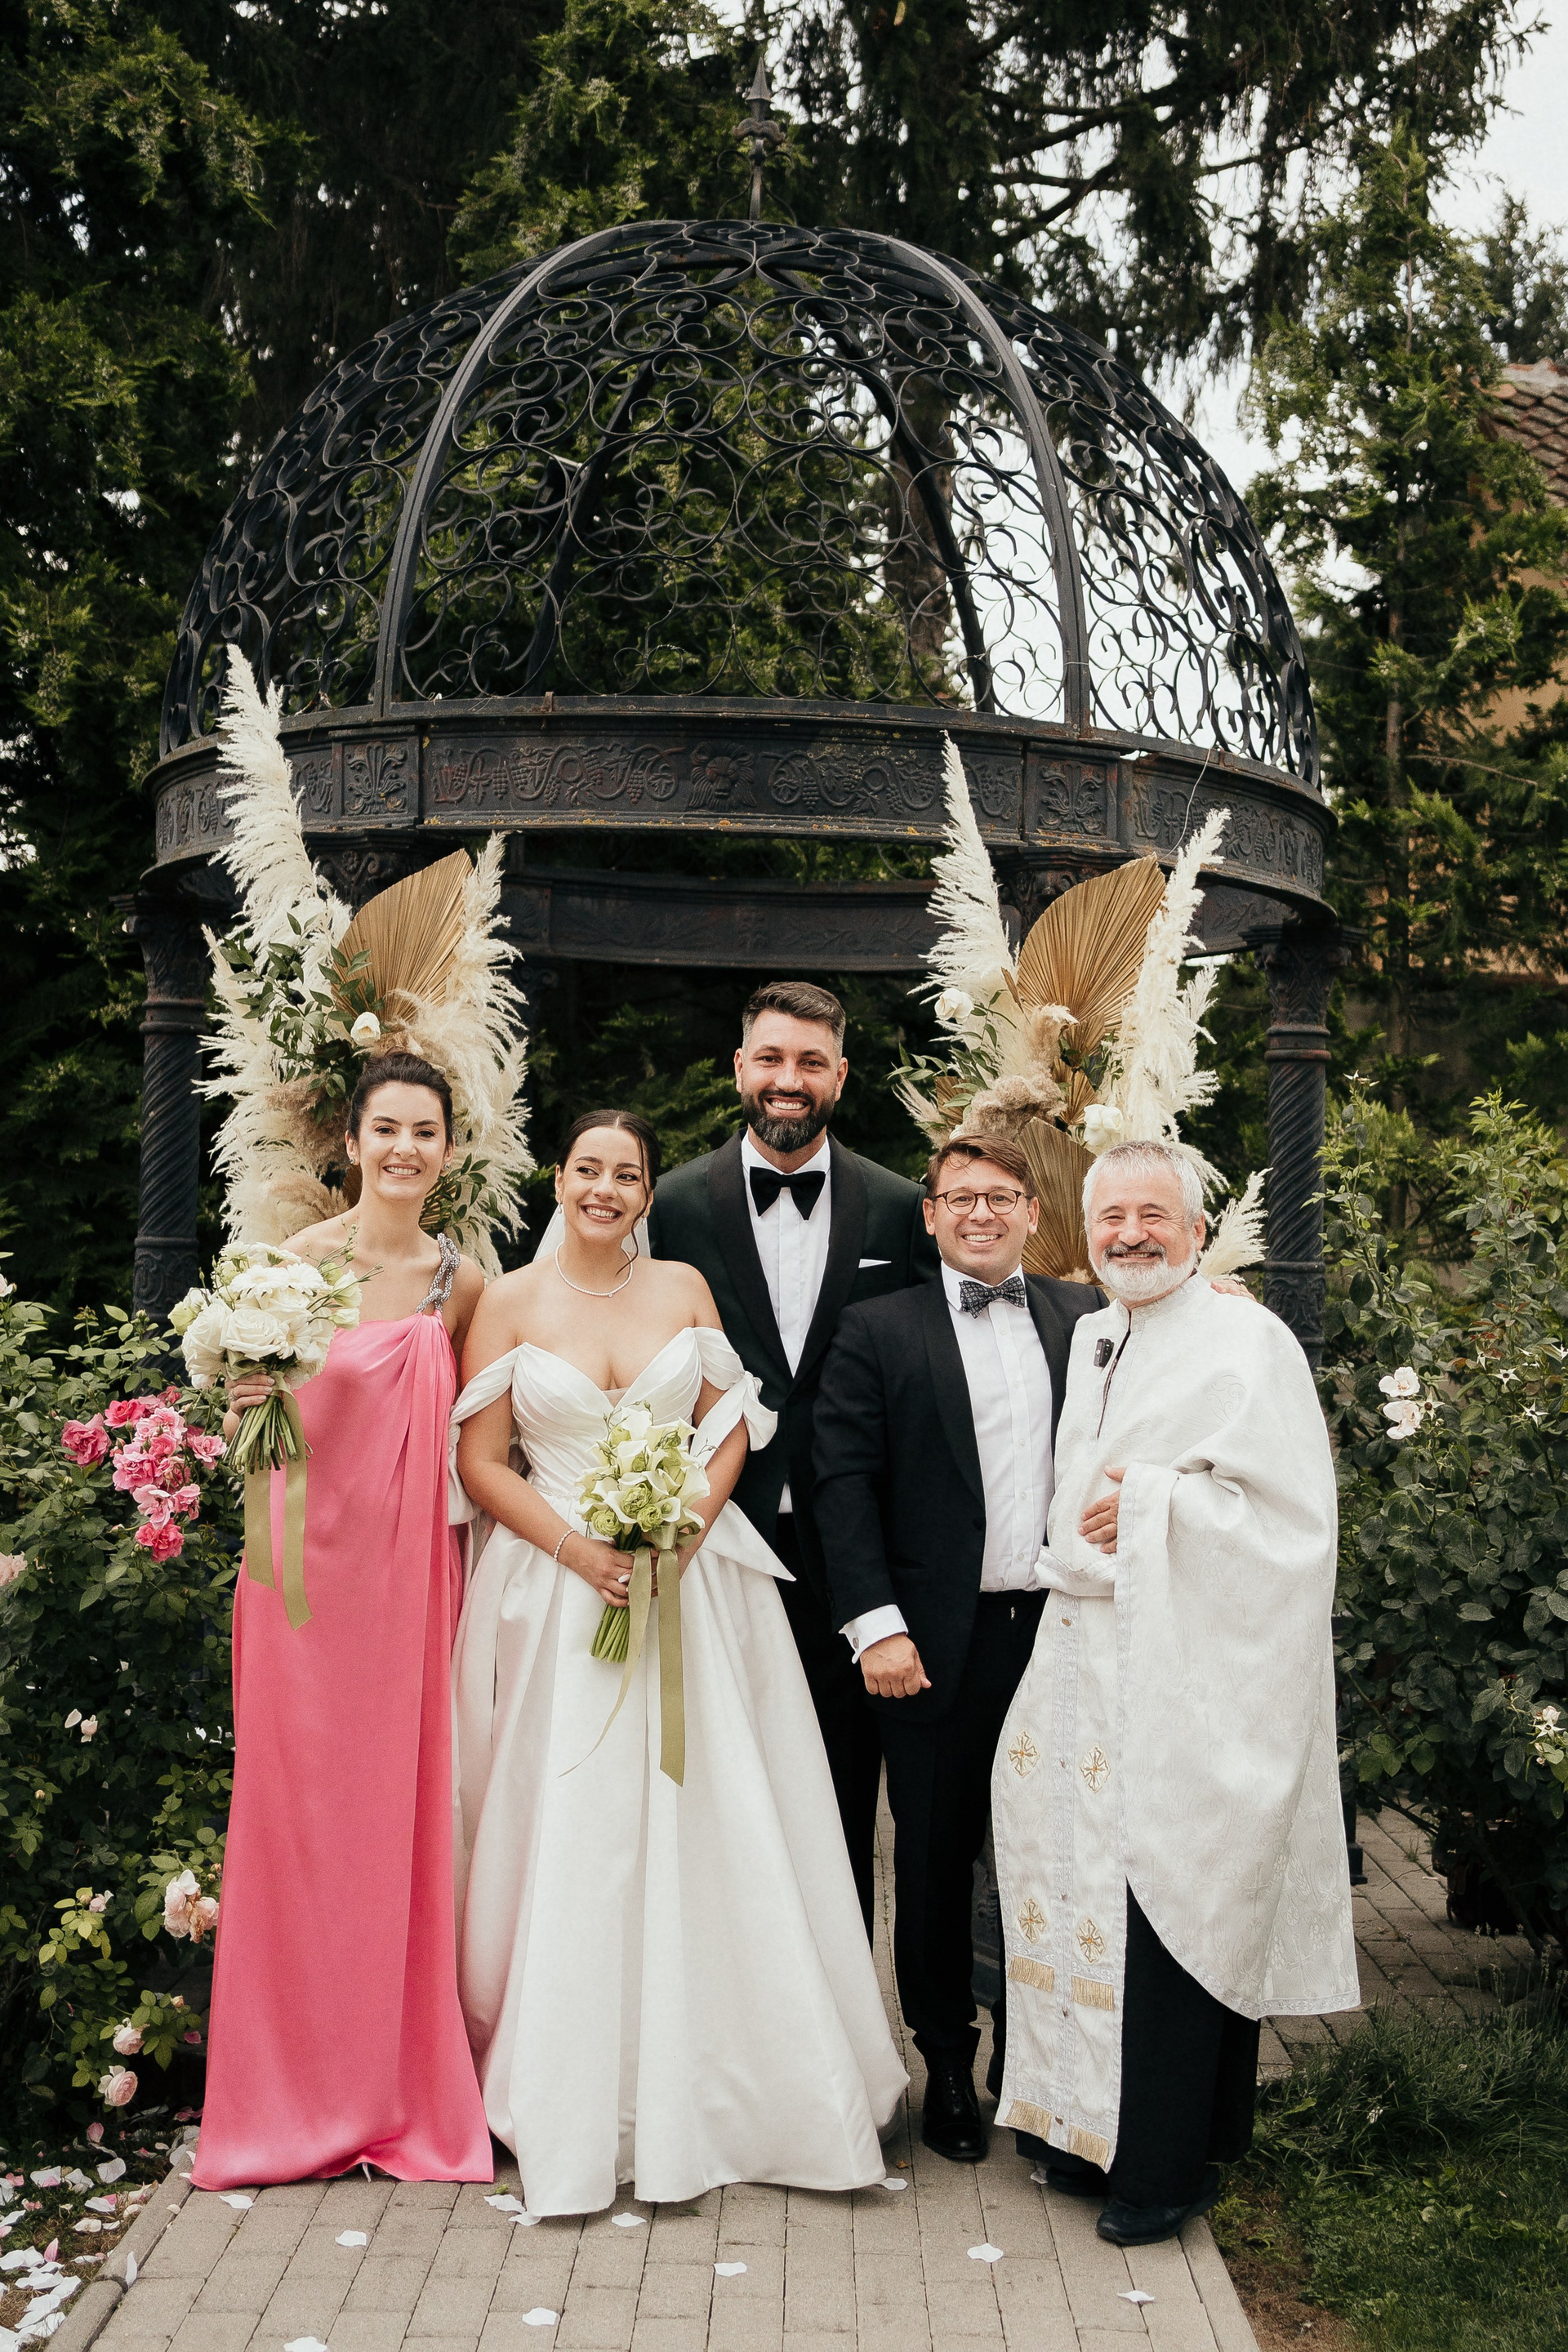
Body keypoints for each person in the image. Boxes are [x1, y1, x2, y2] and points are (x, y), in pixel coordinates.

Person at [449, 1109, 906, 2216]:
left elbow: (731, 1421)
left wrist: (682, 1531)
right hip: (560, 1589)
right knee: (577, 1819)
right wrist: (580, 1550)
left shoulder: (683, 1286)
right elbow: (481, 1459)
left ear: (649, 1192)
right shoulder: (507, 1301)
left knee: (715, 1809)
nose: (605, 1188)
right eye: (588, 1169)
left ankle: (740, 2080)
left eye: (627, 1174)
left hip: (686, 1581)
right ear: (560, 1180)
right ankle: (567, 2089)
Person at [991, 1139, 1359, 2247]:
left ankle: (1162, 2166)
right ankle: (1078, 2133)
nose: (1131, 1234)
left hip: (1189, 1675)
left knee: (1170, 1900)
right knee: (1073, 1888)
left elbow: (1296, 1527)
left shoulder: (1251, 1342)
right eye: (1112, 1217)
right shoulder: (1096, 1331)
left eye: (1155, 1215)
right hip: (1080, 1658)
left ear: (1200, 1233)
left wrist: (1156, 1502)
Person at [194, 1053, 492, 2189]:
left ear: (449, 1151)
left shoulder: (465, 1285)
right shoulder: (289, 1270)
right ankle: (286, 2086)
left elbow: (485, 1438)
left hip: (411, 1579)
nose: (405, 1149)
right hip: (299, 1583)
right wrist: (243, 1401)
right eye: (388, 1129)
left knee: (402, 1817)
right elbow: (248, 1433)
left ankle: (393, 2081)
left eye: (426, 1131)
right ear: (353, 1142)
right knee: (295, 1815)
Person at [812, 1133, 1103, 2164]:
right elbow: (842, 1486)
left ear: (1033, 1212)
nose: (982, 1213)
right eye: (961, 1197)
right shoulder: (876, 1328)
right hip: (931, 1644)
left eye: (1001, 1196)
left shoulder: (1087, 1321)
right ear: (930, 1215)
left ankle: (1039, 2065)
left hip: (1059, 1635)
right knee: (934, 1861)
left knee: (1051, 1854)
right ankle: (944, 2063)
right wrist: (877, 1628)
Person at [645, 981, 939, 1926]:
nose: (788, 1079)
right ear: (740, 1067)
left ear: (841, 1077)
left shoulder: (898, 1208)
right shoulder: (670, 1204)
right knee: (709, 1784)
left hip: (852, 1555)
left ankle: (843, 2000)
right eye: (771, 1058)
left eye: (811, 1062)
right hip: (714, 1540)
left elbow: (956, 1340)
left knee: (841, 1796)